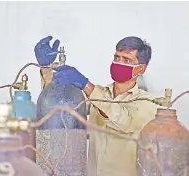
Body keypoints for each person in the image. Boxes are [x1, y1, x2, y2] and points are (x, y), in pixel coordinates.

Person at [34, 36, 159, 176]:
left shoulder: (149, 102)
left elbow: (122, 120)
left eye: (127, 60)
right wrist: (46, 70)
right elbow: (63, 107)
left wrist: (85, 84)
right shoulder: (99, 94)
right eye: (117, 58)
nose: (119, 62)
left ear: (141, 69)